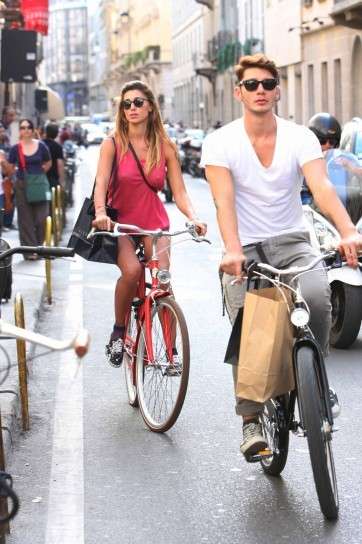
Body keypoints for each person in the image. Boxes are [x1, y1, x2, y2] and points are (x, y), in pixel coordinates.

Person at [200, 54, 362, 459]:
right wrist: (232, 249)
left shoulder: (299, 137)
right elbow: (223, 201)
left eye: (268, 84)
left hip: (292, 241)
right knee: (249, 328)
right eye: (251, 84)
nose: (260, 91)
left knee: (318, 295)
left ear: (278, 90)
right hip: (246, 248)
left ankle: (316, 383)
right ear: (239, 92)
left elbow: (321, 188)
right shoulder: (221, 142)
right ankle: (251, 419)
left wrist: (347, 231)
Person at [93, 80, 207, 367]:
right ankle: (119, 332)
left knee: (163, 281)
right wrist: (100, 212)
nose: (132, 108)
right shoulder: (112, 144)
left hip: (153, 222)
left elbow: (179, 191)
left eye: (138, 103)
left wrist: (193, 217)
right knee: (131, 272)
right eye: (126, 104)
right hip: (119, 223)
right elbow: (101, 183)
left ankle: (171, 351)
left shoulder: (165, 146)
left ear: (150, 108)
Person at [6, 119, 52, 258]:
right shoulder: (16, 148)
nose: (25, 130)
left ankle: (40, 248)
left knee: (42, 218)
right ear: (20, 131)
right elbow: (10, 169)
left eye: (28, 127)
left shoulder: (42, 146)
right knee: (25, 220)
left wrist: (41, 173)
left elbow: (48, 161)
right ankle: (29, 251)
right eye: (22, 127)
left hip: (39, 184)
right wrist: (4, 164)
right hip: (22, 185)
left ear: (33, 130)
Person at [42, 122, 65, 189]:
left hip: (40, 177)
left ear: (46, 132)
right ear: (57, 134)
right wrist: (62, 181)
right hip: (53, 178)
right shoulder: (58, 147)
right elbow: (60, 164)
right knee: (54, 198)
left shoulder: (40, 144)